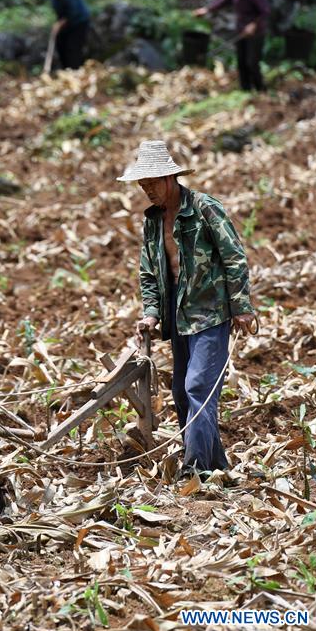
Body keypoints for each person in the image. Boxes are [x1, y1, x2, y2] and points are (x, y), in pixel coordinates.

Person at [117, 140, 256, 478]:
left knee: (198, 388)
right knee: (182, 391)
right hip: (176, 313)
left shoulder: (205, 208)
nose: (147, 190)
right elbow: (149, 272)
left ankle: (194, 469)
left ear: (170, 178)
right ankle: (216, 465)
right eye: (142, 185)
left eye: (152, 183)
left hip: (211, 311)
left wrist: (242, 306)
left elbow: (234, 257)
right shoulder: (152, 221)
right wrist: (151, 311)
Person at [193, 0, 269, 92]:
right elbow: (224, 0)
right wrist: (207, 9)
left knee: (252, 62)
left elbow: (264, 12)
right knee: (241, 62)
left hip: (255, 33)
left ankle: (261, 90)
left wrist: (253, 25)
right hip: (241, 28)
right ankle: (245, 90)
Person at [38, 0, 90, 69]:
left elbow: (73, 12)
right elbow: (58, 10)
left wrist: (61, 23)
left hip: (79, 22)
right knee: (60, 44)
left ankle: (76, 70)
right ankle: (66, 70)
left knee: (73, 48)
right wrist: (59, 23)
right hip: (64, 22)